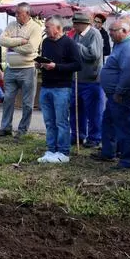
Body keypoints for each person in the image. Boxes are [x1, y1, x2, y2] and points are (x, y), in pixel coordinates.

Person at [91, 19, 130, 169]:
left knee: (125, 128)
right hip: (114, 95)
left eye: (113, 30)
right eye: (110, 30)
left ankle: (127, 161)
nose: (110, 33)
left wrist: (119, 92)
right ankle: (108, 152)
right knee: (109, 123)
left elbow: (127, 74)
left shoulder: (129, 48)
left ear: (124, 32)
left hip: (123, 95)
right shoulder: (120, 44)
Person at [0, 3, 43, 139]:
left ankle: (22, 130)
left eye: (19, 13)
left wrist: (12, 45)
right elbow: (1, 40)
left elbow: (31, 48)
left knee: (27, 102)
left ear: (27, 14)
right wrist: (20, 41)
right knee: (8, 99)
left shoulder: (36, 28)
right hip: (11, 68)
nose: (16, 15)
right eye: (16, 13)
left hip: (28, 68)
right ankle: (5, 128)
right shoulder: (11, 25)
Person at [36, 16, 82, 163]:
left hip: (62, 87)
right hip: (46, 86)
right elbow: (45, 58)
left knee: (61, 121)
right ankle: (51, 149)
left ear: (58, 28)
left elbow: (77, 65)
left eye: (48, 26)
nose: (45, 29)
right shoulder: (46, 42)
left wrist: (56, 66)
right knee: (49, 121)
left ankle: (63, 152)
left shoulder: (69, 43)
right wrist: (40, 64)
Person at [70, 12, 105, 149]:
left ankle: (94, 138)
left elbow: (94, 54)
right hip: (77, 79)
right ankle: (77, 135)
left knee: (94, 111)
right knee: (76, 109)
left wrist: (77, 47)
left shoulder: (94, 34)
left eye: (76, 23)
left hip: (92, 80)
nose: (74, 26)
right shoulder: (77, 35)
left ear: (83, 24)